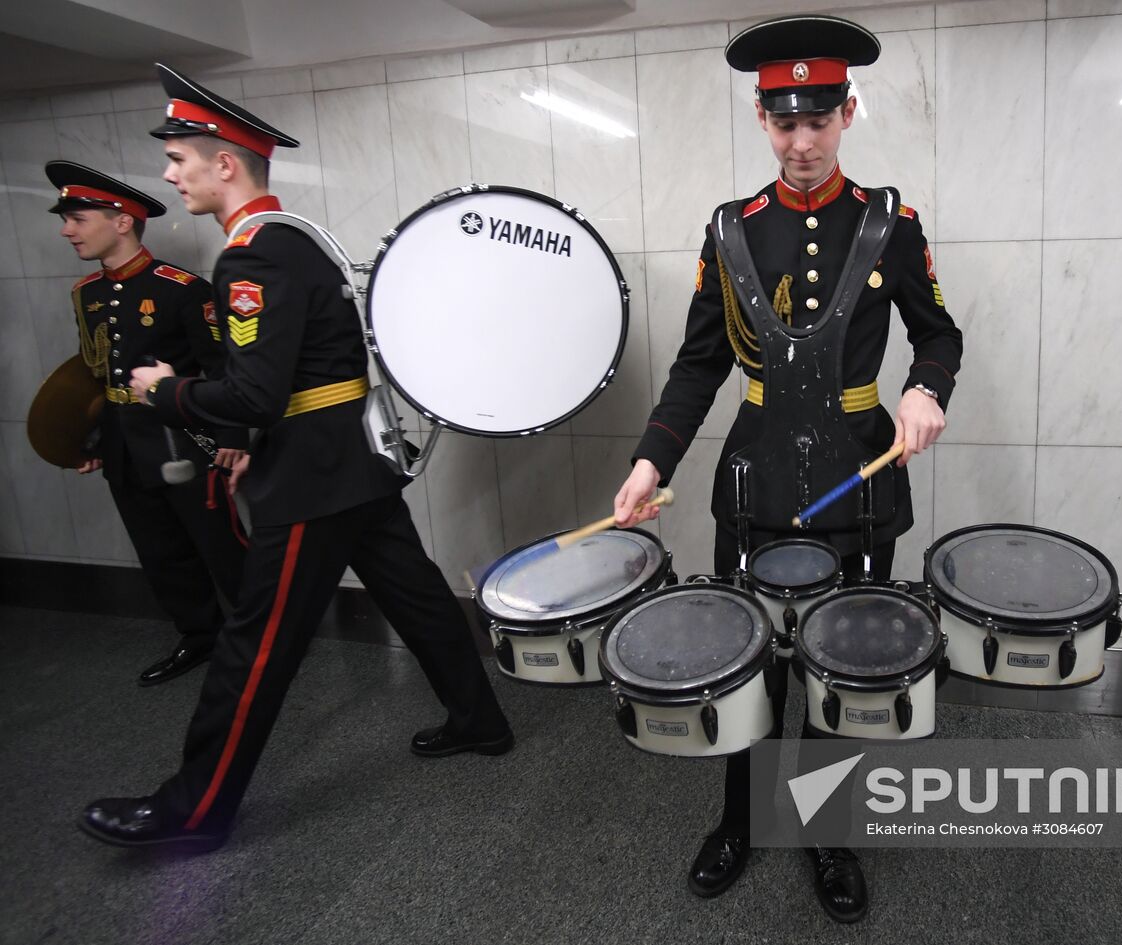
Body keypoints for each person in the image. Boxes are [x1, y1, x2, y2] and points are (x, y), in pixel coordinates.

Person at [78, 64, 512, 853]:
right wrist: (244, 436)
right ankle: (479, 721)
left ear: (225, 164)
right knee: (415, 597)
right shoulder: (297, 241)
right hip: (351, 464)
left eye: (180, 159)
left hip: (310, 483)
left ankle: (196, 806)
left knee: (255, 645)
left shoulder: (253, 259)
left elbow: (254, 393)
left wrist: (165, 391)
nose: (170, 175)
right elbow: (307, 371)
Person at [612, 15, 962, 924]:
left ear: (848, 113)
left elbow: (939, 333)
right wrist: (652, 460)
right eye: (782, 122)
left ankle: (830, 834)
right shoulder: (732, 232)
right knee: (749, 661)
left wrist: (926, 389)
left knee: (839, 664)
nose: (801, 142)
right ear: (762, 121)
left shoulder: (890, 223)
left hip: (861, 470)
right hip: (755, 480)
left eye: (819, 120)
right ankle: (739, 820)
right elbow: (699, 364)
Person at [47, 161, 247, 687]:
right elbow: (96, 374)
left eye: (77, 217)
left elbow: (221, 369)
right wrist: (91, 440)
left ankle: (264, 637)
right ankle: (199, 635)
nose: (67, 230)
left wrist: (232, 439)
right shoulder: (87, 294)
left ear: (122, 221)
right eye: (66, 219)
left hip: (182, 439)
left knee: (222, 546)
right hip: (122, 443)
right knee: (159, 552)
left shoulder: (182, 290)